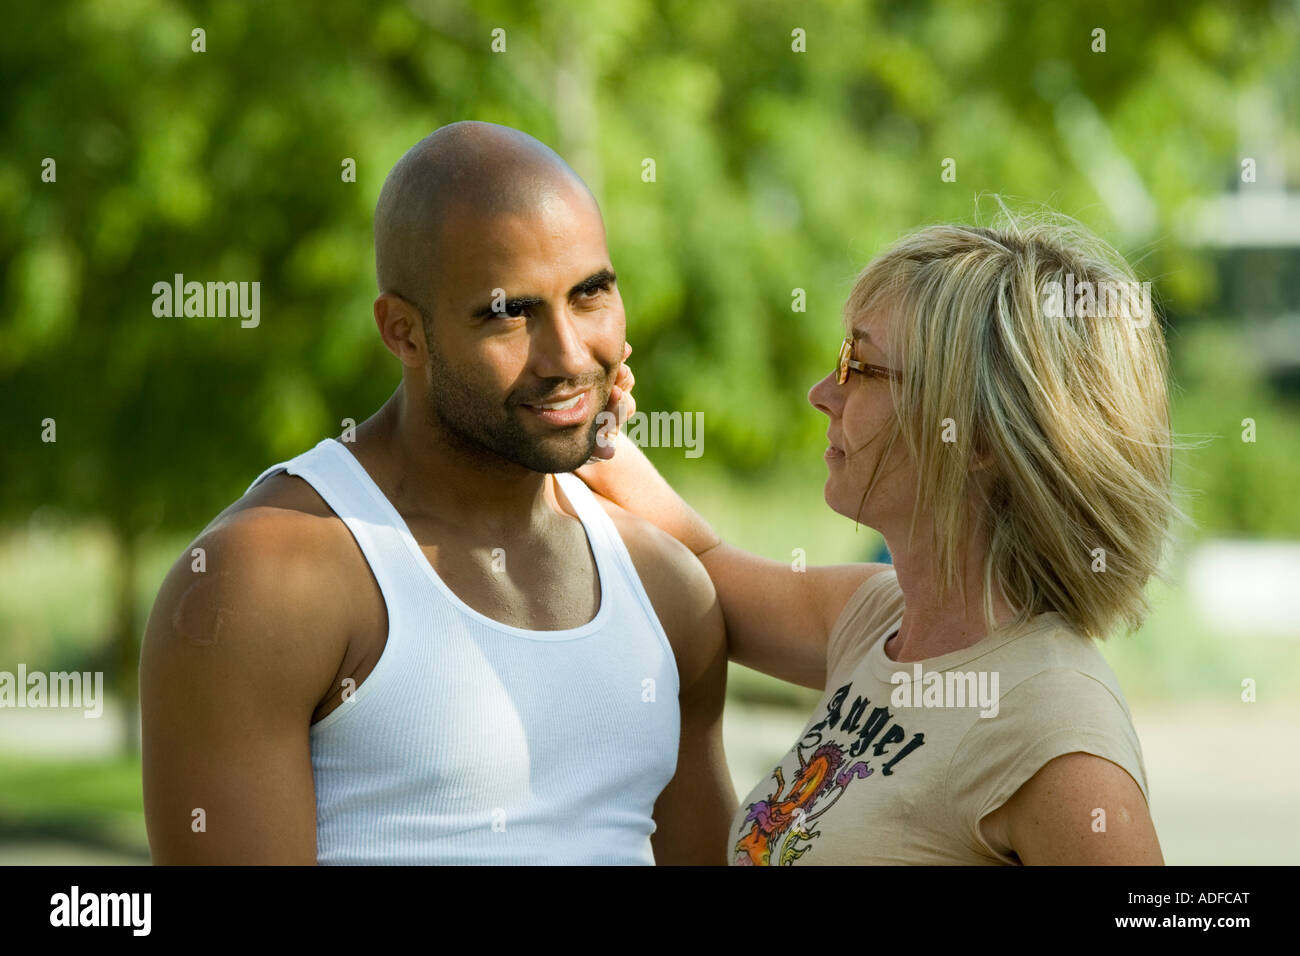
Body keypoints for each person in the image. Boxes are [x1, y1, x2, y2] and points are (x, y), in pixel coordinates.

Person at [140, 121, 736, 865]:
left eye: (590, 295)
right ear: (403, 331)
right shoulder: (269, 578)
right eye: (508, 312)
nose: (568, 356)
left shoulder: (666, 587)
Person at [580, 215, 1175, 865]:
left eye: (858, 365)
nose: (821, 394)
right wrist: (582, 433)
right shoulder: (876, 618)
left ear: (975, 436)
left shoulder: (1057, 730)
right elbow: (697, 564)